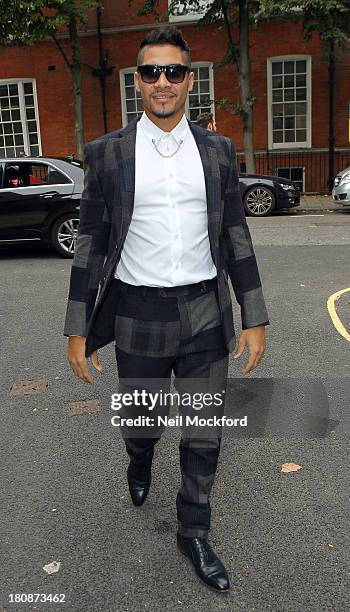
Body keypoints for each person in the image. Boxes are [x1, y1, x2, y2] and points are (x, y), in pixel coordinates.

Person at [64, 25, 269, 592]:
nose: (162, 82)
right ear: (137, 81)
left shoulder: (218, 150)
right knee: (143, 421)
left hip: (205, 310)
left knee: (205, 431)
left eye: (173, 72)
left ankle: (193, 529)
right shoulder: (106, 155)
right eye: (151, 71)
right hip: (138, 313)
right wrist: (77, 327)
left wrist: (254, 316)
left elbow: (236, 235)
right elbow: (91, 246)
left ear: (188, 80)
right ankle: (139, 454)